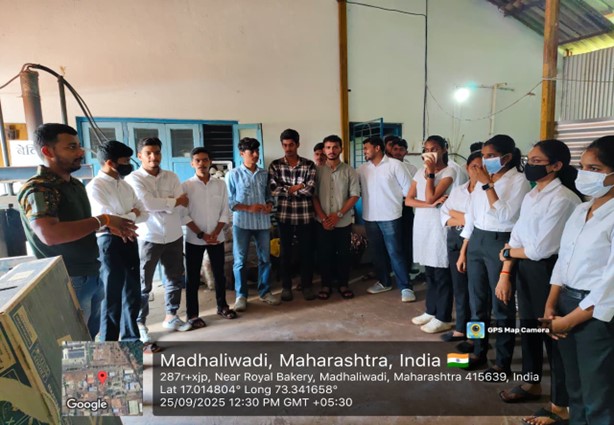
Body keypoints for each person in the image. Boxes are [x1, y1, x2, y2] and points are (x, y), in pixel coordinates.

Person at [17, 124, 137, 339]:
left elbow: (80, 225)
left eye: (79, 146)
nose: (80, 152)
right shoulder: (39, 188)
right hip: (69, 278)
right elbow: (50, 234)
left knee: (89, 335)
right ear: (48, 151)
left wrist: (107, 226)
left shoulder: (75, 185)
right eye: (71, 147)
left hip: (92, 270)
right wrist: (104, 219)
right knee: (72, 339)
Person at [496, 141, 580, 421]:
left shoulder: (563, 199)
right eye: (529, 159)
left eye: (536, 161)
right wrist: (508, 267)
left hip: (549, 273)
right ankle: (531, 383)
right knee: (530, 330)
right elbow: (518, 235)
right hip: (527, 270)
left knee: (553, 338)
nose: (529, 165)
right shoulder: (534, 195)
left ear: (556, 166)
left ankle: (560, 404)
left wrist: (509, 253)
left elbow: (541, 249)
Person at [540, 136, 614, 425]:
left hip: (595, 313)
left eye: (594, 169)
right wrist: (551, 305)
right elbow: (564, 260)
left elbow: (609, 286)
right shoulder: (582, 210)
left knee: (598, 393)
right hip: (565, 303)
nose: (584, 175)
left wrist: (568, 321)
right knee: (576, 388)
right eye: (582, 167)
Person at [457, 134, 531, 375]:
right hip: (477, 240)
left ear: (506, 158)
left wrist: (488, 185)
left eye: (491, 156)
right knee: (477, 302)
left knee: (502, 306)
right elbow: (471, 215)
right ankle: (478, 350)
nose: (485, 160)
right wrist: (464, 250)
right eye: (483, 155)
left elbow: (506, 216)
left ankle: (502, 362)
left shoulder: (518, 181)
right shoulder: (482, 179)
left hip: (500, 242)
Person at [125, 137, 192, 346]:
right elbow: (147, 204)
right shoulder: (134, 179)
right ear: (140, 156)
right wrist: (172, 202)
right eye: (148, 153)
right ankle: (140, 324)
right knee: (143, 284)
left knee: (174, 278)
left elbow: (183, 202)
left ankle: (171, 316)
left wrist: (164, 204)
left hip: (173, 235)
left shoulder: (171, 176)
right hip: (148, 237)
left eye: (157, 152)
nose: (153, 157)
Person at [86, 140, 148, 342]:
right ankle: (109, 346)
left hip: (130, 239)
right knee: (111, 297)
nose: (129, 164)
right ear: (110, 163)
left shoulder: (125, 185)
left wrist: (123, 218)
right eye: (125, 161)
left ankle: (131, 340)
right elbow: (107, 218)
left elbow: (144, 213)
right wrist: (131, 214)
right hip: (109, 242)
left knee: (132, 293)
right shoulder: (96, 187)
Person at [406, 135, 458, 333]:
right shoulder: (420, 172)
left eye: (434, 149)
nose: (430, 153)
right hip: (423, 224)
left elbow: (430, 196)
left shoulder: (449, 171)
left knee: (441, 272)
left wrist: (430, 174)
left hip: (439, 226)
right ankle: (431, 310)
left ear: (444, 150)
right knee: (429, 271)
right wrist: (429, 205)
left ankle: (443, 316)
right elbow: (409, 200)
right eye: (427, 149)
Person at [357, 136, 415, 302]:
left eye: (366, 148)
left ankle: (406, 287)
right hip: (370, 217)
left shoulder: (395, 165)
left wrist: (392, 200)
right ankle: (384, 282)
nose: (364, 151)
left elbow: (408, 190)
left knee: (395, 252)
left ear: (377, 148)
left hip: (391, 216)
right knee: (377, 253)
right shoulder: (362, 169)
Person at [182, 148, 235, 328]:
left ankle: (222, 306)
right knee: (192, 278)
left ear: (210, 162)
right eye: (197, 160)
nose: (202, 164)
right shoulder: (186, 186)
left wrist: (215, 232)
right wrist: (202, 234)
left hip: (216, 237)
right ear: (192, 163)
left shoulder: (220, 185)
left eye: (205, 160)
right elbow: (184, 215)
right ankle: (192, 315)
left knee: (219, 274)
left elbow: (225, 211)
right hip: (194, 239)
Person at [227, 137, 280, 311]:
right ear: (242, 153)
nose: (256, 154)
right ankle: (241, 296)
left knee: (265, 259)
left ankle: (265, 292)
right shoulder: (233, 174)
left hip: (262, 223)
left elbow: (269, 196)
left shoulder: (264, 174)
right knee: (240, 261)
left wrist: (269, 205)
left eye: (257, 151)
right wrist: (248, 208)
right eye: (252, 151)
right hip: (242, 224)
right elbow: (229, 201)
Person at [439, 143, 483, 342]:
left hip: (475, 244)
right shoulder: (458, 191)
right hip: (455, 242)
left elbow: (477, 220)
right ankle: (460, 329)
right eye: (474, 166)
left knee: (477, 294)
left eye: (482, 167)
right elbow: (444, 214)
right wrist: (465, 217)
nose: (478, 171)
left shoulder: (487, 192)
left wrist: (458, 215)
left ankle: (476, 337)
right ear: (467, 168)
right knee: (460, 289)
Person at [269, 129, 317, 301]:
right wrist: (299, 186)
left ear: (298, 144)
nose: (288, 148)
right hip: (284, 216)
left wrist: (287, 189)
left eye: (291, 145)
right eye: (285, 145)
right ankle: (286, 287)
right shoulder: (275, 165)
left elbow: (310, 190)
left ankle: (307, 286)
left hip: (305, 216)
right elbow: (274, 190)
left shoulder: (309, 165)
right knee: (285, 253)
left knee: (306, 253)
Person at [313, 135, 360, 300]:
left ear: (341, 149)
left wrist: (338, 215)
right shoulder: (317, 171)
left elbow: (354, 195)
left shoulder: (350, 171)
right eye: (328, 147)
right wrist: (324, 218)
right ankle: (325, 285)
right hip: (322, 222)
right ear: (324, 150)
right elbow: (314, 196)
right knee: (324, 254)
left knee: (344, 254)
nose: (331, 151)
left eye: (335, 147)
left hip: (343, 222)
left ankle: (343, 284)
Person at [390, 137, 418, 274]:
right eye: (395, 149)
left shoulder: (412, 169)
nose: (398, 152)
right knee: (393, 240)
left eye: (401, 149)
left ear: (406, 152)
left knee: (407, 238)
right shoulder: (387, 166)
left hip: (405, 206)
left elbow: (411, 189)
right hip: (390, 207)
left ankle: (407, 267)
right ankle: (393, 268)